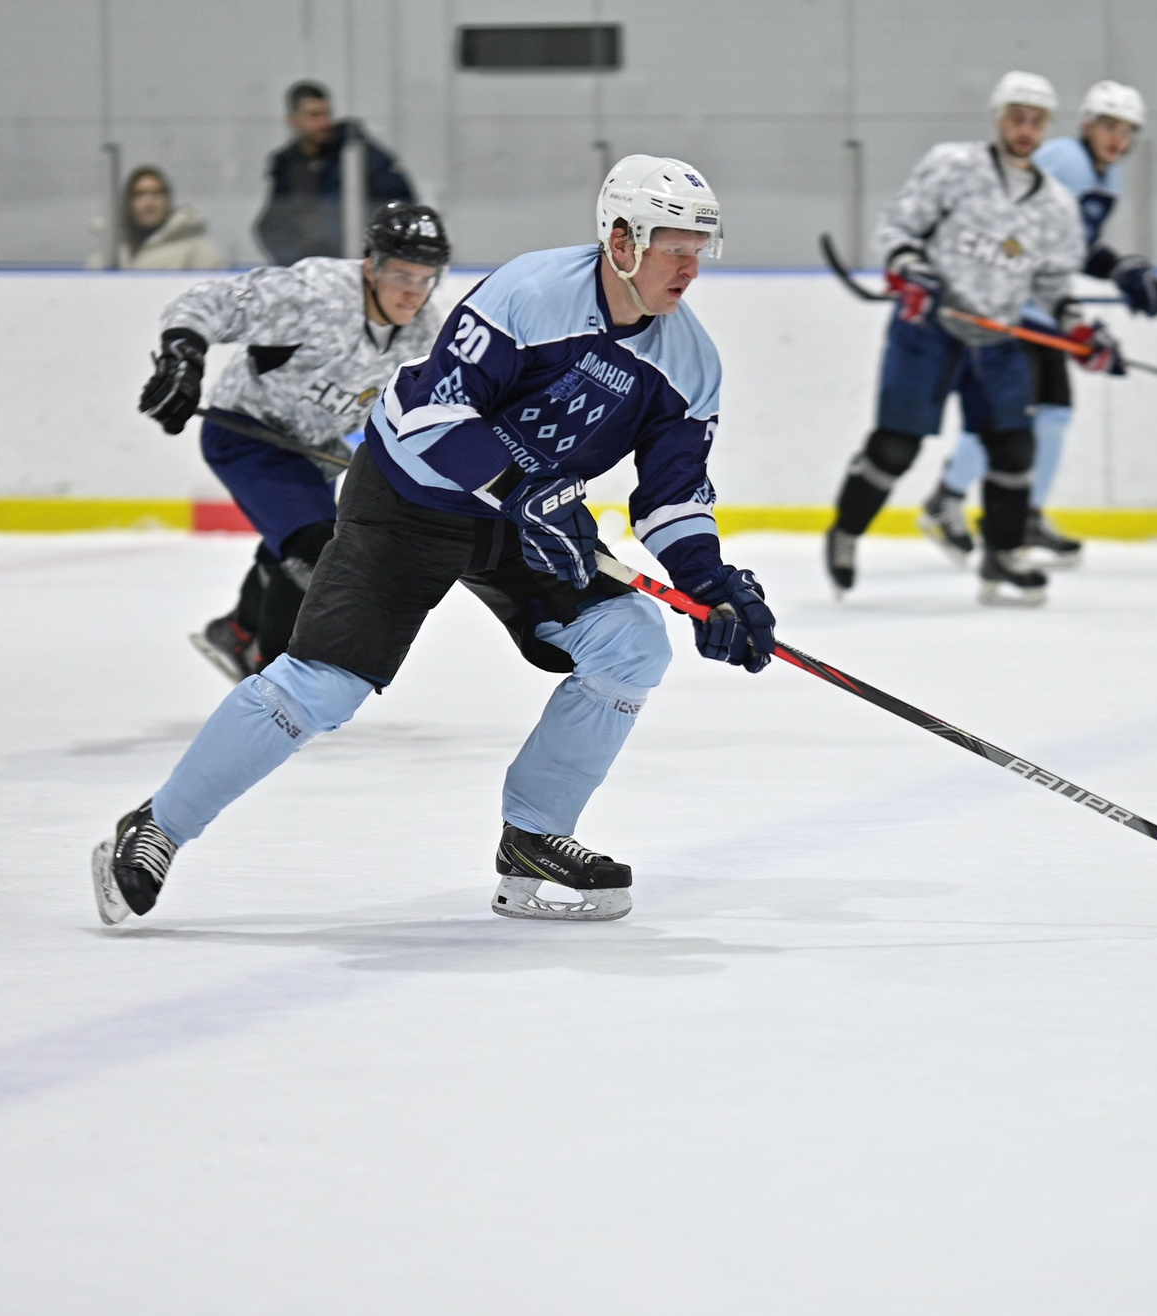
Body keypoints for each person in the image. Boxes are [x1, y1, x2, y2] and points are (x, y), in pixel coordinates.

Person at [94, 156, 773, 927]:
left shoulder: (691, 362)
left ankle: (535, 836)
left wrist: (711, 584)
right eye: (672, 246)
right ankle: (159, 824)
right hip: (414, 498)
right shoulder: (531, 292)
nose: (690, 266)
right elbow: (436, 415)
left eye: (700, 248)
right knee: (325, 684)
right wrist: (522, 493)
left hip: (528, 516)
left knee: (633, 642)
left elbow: (674, 492)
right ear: (620, 239)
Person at [136, 202, 451, 681]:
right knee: (318, 547)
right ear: (372, 266)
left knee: (298, 541)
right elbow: (212, 302)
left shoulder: (427, 332)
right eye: (403, 277)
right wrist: (184, 357)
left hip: (316, 458)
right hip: (246, 434)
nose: (413, 294)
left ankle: (239, 633)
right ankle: (272, 679)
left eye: (425, 279)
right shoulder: (314, 293)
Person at [824, 70, 1099, 606]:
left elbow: (1053, 284)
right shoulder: (954, 167)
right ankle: (846, 532)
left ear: (1047, 128)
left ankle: (1003, 554)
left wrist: (1080, 326)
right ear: (998, 119)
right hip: (926, 328)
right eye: (1016, 117)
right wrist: (911, 271)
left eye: (1036, 120)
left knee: (1015, 447)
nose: (1025, 128)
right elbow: (900, 230)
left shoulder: (1055, 206)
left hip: (995, 337)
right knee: (896, 446)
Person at [917, 80, 1157, 570]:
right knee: (1005, 419)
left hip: (1040, 312)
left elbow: (1065, 247)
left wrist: (1118, 267)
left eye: (1126, 131)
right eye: (1109, 126)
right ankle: (946, 498)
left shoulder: (1103, 176)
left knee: (1052, 416)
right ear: (1087, 126)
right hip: (1007, 310)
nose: (1118, 139)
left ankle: (1026, 513)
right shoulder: (1067, 163)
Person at [253, 80, 419, 265]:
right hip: (313, 272)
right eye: (313, 115)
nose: (324, 122)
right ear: (293, 120)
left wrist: (376, 260)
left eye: (326, 114)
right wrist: (298, 264)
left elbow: (403, 209)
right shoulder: (287, 165)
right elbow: (272, 225)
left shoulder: (359, 154)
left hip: (356, 266)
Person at [90, 166, 226, 270]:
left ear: (168, 199)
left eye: (157, 193)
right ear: (128, 202)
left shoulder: (196, 249)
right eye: (140, 194)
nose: (149, 203)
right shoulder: (112, 249)